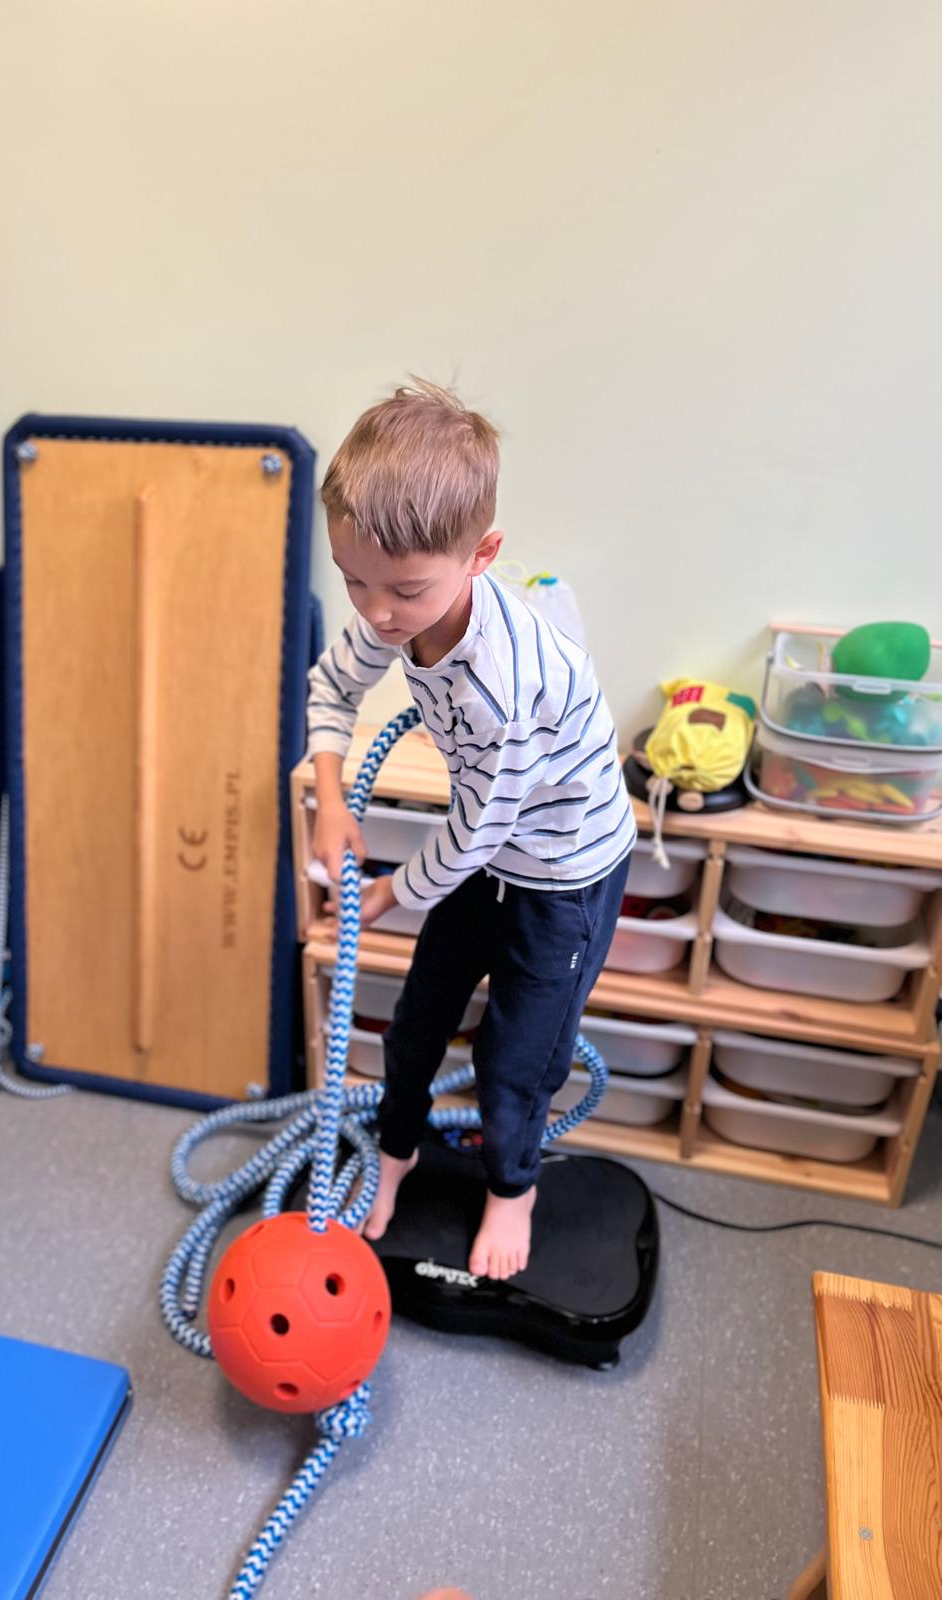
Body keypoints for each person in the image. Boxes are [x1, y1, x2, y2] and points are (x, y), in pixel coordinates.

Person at [306, 379, 633, 1280]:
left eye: (405, 589)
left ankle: (513, 1188)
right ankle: (396, 1151)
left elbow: (481, 828)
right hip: (481, 854)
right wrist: (333, 798)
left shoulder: (503, 682)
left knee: (514, 1057)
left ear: (481, 555)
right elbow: (332, 686)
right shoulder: (389, 606)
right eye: (353, 580)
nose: (376, 612)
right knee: (414, 1024)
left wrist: (387, 893)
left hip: (561, 870)